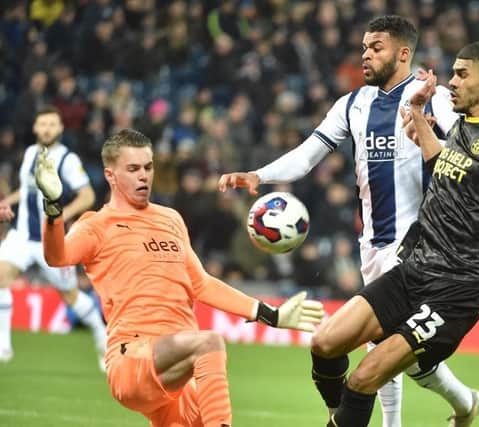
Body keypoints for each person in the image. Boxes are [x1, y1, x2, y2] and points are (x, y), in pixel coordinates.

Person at [218, 15, 477, 427]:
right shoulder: (354, 104)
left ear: (403, 53)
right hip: (373, 242)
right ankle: (465, 403)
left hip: (421, 242)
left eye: (376, 47)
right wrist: (258, 175)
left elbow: (466, 156)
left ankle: (403, 420)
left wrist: (432, 134)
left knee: (385, 343)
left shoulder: (436, 98)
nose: (366, 55)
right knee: (389, 347)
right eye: (363, 48)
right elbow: (307, 155)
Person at [309, 40, 479, 427]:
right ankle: (343, 418)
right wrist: (416, 111)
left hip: (459, 286)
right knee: (324, 343)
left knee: (366, 376)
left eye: (461, 74)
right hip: (416, 267)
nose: (450, 82)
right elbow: (444, 167)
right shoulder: (466, 125)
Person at [34, 128, 324, 427]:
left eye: (148, 167)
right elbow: (57, 257)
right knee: (208, 342)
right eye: (132, 169)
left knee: (199, 407)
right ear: (110, 175)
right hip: (133, 358)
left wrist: (271, 315)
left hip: (178, 375)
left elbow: (201, 283)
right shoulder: (97, 225)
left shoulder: (170, 219)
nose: (143, 176)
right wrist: (54, 208)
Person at [0, 106, 107, 370]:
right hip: (21, 237)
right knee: (1, 278)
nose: (47, 129)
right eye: (43, 124)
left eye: (52, 124)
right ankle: (3, 345)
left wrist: (59, 216)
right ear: (36, 128)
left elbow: (88, 196)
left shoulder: (67, 159)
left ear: (60, 129)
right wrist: (5, 202)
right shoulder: (29, 154)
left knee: (70, 296)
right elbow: (26, 191)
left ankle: (101, 337)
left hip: (52, 241)